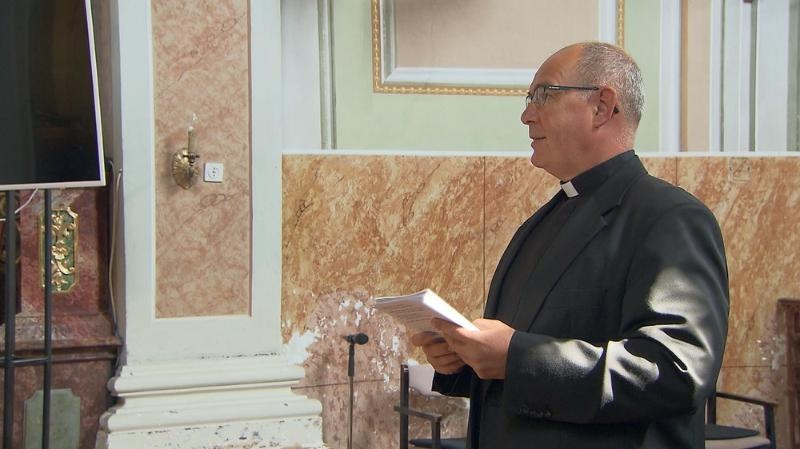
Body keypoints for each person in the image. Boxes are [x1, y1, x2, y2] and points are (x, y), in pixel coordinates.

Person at [411, 42, 729, 449]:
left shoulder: (670, 217)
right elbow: (525, 357)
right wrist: (465, 362)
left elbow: (676, 372)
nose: (527, 115)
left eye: (544, 95)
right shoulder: (540, 223)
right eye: (529, 99)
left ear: (602, 107)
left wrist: (516, 357)